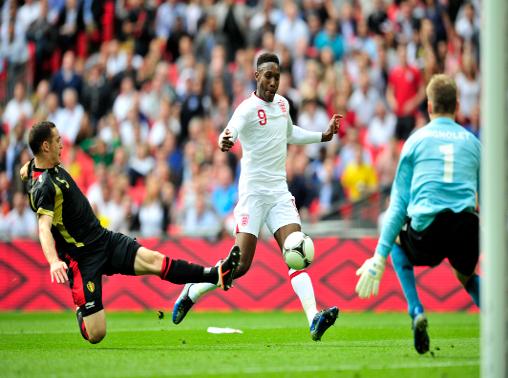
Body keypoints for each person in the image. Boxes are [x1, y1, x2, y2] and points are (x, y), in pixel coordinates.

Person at [20, 121, 241, 344]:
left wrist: (27, 167)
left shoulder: (43, 166)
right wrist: (53, 262)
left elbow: (30, 167)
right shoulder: (44, 187)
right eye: (57, 141)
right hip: (82, 259)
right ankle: (81, 309)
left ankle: (215, 274)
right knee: (96, 334)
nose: (62, 145)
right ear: (46, 146)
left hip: (104, 240)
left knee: (155, 260)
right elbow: (43, 227)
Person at [172, 52, 341, 341]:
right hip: (252, 194)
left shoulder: (284, 105)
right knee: (240, 267)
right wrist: (224, 141)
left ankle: (314, 317)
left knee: (295, 251)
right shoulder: (246, 109)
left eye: (277, 76)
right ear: (257, 76)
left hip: (278, 192)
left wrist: (322, 136)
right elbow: (229, 132)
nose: (273, 81)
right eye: (268, 76)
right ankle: (193, 289)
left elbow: (290, 133)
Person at [355, 74, 481, 354]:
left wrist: (379, 256)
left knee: (399, 245)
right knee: (466, 276)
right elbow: (490, 199)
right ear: (457, 105)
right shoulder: (473, 144)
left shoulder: (415, 141)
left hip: (428, 228)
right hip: (466, 226)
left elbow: (399, 205)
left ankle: (416, 311)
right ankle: (498, 318)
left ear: (429, 105)